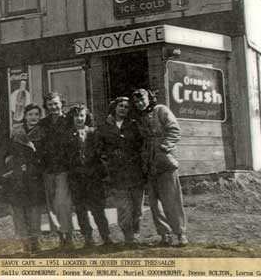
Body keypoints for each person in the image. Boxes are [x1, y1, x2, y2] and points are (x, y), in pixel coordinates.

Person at [131, 88, 189, 247]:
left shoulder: (161, 110)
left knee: (171, 199)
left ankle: (180, 233)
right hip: (148, 164)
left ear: (149, 98)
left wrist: (164, 147)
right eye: (136, 102)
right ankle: (165, 234)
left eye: (142, 99)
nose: (140, 103)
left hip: (164, 161)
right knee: (154, 203)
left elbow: (175, 130)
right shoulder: (138, 118)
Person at [98, 97, 145, 245]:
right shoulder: (104, 128)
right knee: (124, 208)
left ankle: (136, 233)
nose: (123, 108)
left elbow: (141, 146)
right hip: (117, 174)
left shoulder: (134, 126)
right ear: (114, 107)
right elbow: (100, 151)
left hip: (135, 172)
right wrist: (108, 167)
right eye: (120, 106)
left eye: (126, 106)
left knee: (137, 208)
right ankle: (128, 237)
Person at [64, 103, 113, 247]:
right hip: (76, 178)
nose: (79, 119)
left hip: (93, 177)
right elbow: (65, 156)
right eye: (76, 116)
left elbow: (101, 154)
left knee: (98, 208)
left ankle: (106, 236)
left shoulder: (94, 133)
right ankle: (88, 237)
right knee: (80, 209)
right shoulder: (68, 136)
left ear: (86, 117)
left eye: (82, 116)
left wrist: (99, 171)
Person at [2, 103, 45, 254]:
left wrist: (34, 154)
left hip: (34, 177)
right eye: (30, 114)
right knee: (19, 210)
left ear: (40, 117)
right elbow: (7, 154)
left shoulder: (43, 133)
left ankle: (35, 242)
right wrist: (15, 167)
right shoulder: (16, 132)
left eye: (36, 115)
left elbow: (44, 156)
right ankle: (25, 242)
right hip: (18, 177)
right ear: (25, 116)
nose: (33, 117)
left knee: (34, 210)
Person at [39, 92, 73, 249]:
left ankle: (69, 236)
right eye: (50, 104)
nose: (53, 107)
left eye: (56, 103)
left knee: (62, 203)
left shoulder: (69, 120)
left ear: (62, 103)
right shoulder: (42, 124)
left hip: (64, 168)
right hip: (47, 169)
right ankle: (61, 237)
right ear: (46, 106)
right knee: (52, 205)